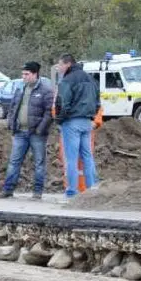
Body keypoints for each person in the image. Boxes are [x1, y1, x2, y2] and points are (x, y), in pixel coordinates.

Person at [0, 61, 54, 200]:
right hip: (20, 132)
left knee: (39, 163)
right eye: (23, 74)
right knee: (14, 161)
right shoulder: (20, 88)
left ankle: (37, 192)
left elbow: (49, 112)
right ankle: (8, 190)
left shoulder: (46, 90)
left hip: (36, 134)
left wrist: (40, 129)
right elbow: (13, 107)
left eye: (26, 74)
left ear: (35, 74)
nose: (24, 77)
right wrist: (11, 123)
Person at [54, 53, 100, 199]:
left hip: (72, 122)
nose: (58, 67)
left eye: (60, 64)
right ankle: (92, 189)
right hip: (87, 122)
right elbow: (97, 101)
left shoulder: (67, 80)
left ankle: (71, 192)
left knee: (71, 158)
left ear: (68, 64)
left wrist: (59, 119)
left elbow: (62, 102)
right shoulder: (91, 79)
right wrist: (92, 117)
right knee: (87, 156)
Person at [57, 105, 103, 194]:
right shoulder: (89, 92)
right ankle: (84, 189)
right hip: (79, 127)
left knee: (77, 160)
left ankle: (79, 190)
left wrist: (96, 122)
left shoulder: (67, 92)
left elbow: (97, 106)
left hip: (74, 127)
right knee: (76, 159)